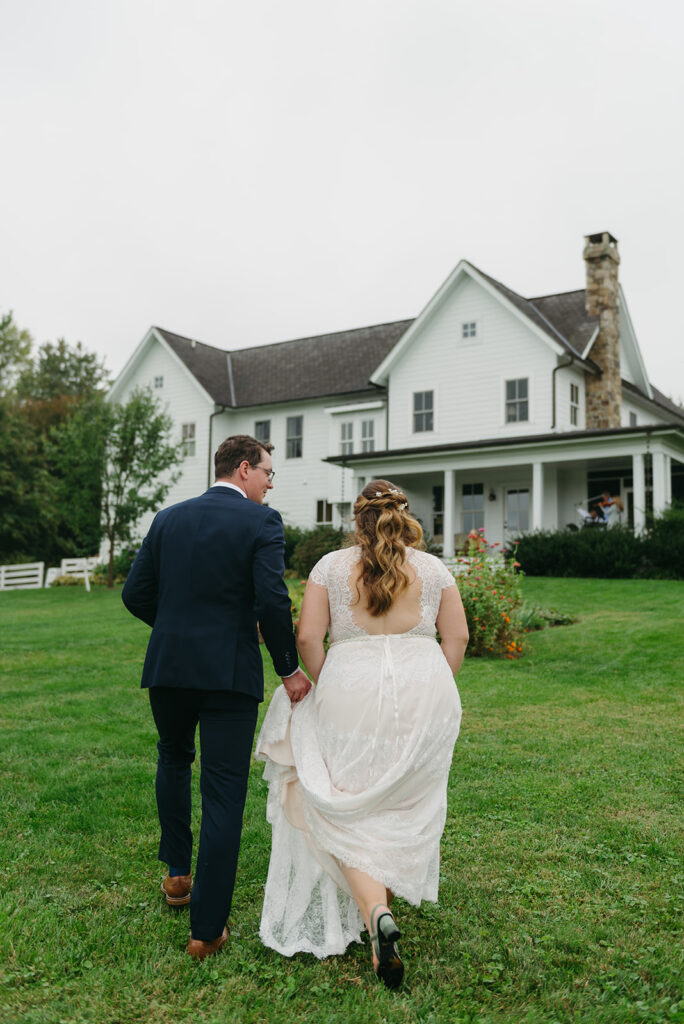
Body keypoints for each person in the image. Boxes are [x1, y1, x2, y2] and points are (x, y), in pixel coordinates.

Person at [255, 480, 468, 989]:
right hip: (425, 689)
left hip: (349, 684)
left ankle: (374, 912)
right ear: (404, 514)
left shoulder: (330, 566)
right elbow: (456, 636)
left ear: (358, 519)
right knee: (399, 799)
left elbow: (307, 636)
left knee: (341, 796)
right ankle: (380, 911)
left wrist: (328, 685)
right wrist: (436, 691)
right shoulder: (435, 568)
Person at [122, 434, 310, 960]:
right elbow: (272, 599)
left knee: (174, 757)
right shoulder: (261, 522)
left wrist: (179, 628)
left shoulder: (168, 518)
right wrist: (289, 669)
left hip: (169, 668)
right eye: (269, 473)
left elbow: (135, 594)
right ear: (245, 469)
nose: (272, 484)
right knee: (224, 790)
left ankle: (177, 874)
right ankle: (206, 932)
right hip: (228, 670)